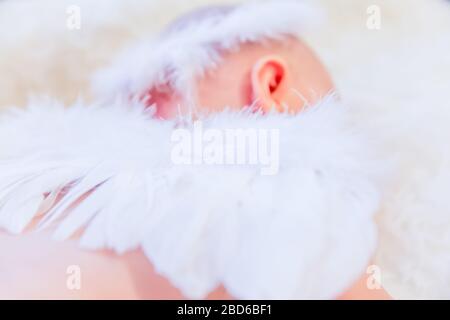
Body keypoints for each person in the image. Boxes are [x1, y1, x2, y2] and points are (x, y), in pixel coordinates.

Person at [0, 1, 390, 299]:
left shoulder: (304, 195)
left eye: (166, 81)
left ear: (270, 85)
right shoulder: (69, 154)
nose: (140, 114)